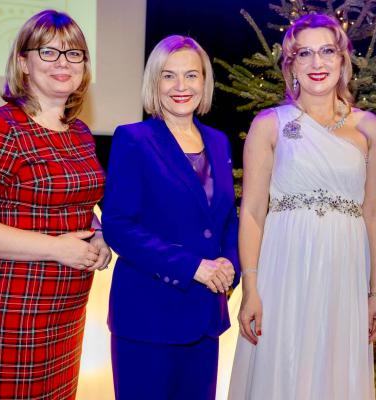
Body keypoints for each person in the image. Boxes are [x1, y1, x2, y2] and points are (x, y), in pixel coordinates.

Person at [0, 9, 109, 400]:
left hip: (69, 307)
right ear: (23, 62)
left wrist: (99, 233)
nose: (63, 63)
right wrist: (56, 248)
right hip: (17, 308)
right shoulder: (2, 127)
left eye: (73, 53)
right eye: (49, 52)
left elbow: (78, 202)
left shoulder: (80, 133)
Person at [228, 14, 376, 399]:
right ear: (292, 64)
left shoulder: (369, 127)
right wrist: (251, 288)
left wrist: (375, 293)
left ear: (343, 60)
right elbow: (252, 212)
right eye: (305, 53)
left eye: (327, 51)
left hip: (344, 271)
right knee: (282, 366)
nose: (317, 63)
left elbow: (375, 211)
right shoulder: (270, 124)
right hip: (284, 268)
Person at [102, 35, 240, 400]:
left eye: (191, 75)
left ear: (204, 82)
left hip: (205, 315)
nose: (181, 86)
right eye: (169, 75)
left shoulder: (219, 142)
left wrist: (230, 263)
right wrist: (193, 267)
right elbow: (119, 226)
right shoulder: (133, 139)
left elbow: (226, 218)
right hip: (148, 316)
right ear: (154, 82)